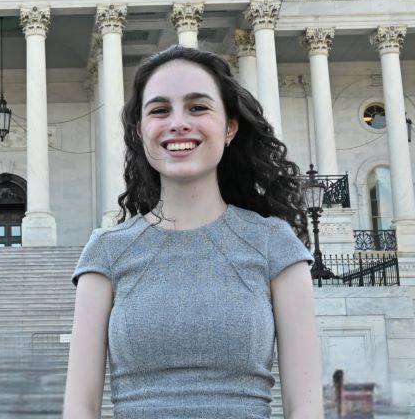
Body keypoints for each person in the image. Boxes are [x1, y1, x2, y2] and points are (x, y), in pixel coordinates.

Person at [63, 46, 324, 419]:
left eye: (198, 107)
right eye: (159, 110)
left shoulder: (273, 244)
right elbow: (80, 409)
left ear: (230, 126)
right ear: (141, 131)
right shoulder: (106, 251)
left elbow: (306, 408)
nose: (178, 123)